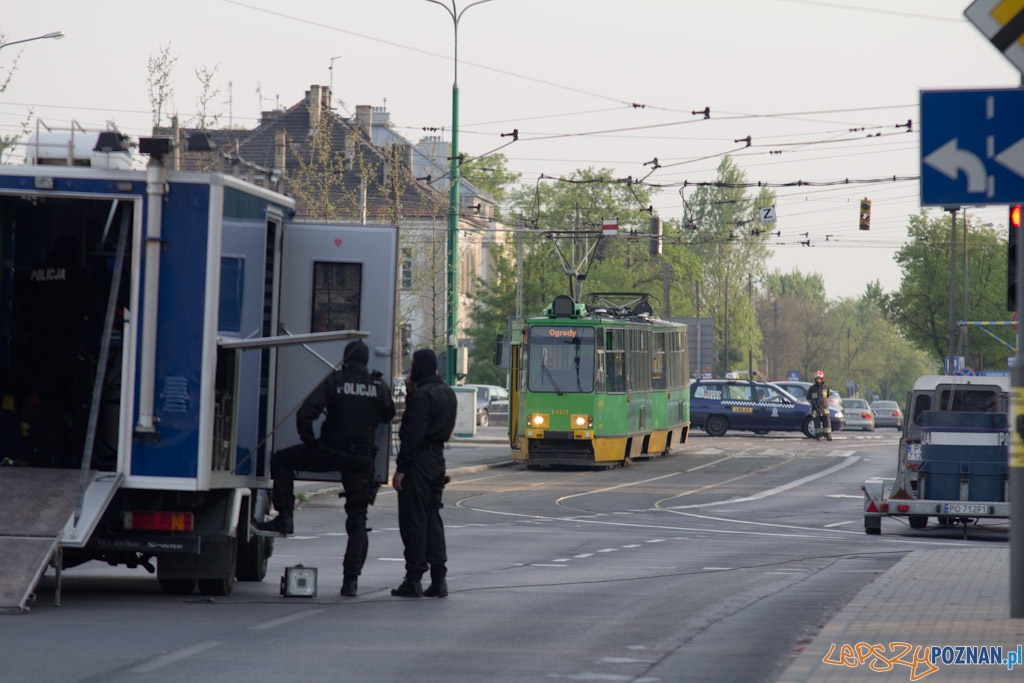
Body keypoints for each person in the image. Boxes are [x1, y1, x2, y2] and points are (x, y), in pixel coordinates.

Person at [261, 339, 395, 597]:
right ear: (366, 361)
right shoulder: (379, 385)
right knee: (357, 519)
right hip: (362, 461)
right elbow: (389, 415)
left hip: (330, 452)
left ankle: (285, 517)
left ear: (346, 359)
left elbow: (304, 414)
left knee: (282, 460)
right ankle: (351, 582)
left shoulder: (336, 381)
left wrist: (311, 443)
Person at [391, 348, 457, 599]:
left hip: (418, 461)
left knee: (413, 519)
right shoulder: (447, 393)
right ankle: (439, 578)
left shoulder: (422, 396)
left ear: (421, 367)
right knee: (432, 518)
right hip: (437, 460)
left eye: (412, 365)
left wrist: (402, 469)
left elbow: (413, 433)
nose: (410, 370)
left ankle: (414, 577)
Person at [805, 370, 833, 441]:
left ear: (822, 379)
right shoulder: (812, 388)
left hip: (824, 408)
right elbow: (808, 397)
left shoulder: (826, 387)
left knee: (827, 422)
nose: (818, 380)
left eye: (820, 379)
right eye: (817, 379)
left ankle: (828, 435)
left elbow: (828, 395)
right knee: (816, 423)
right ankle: (819, 435)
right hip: (815, 408)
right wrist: (813, 403)